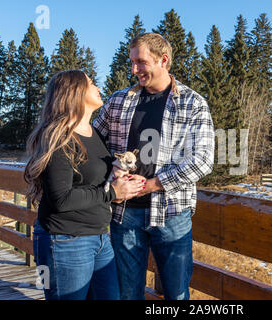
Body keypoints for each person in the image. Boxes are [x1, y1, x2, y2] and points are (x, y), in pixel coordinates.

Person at [93, 33, 215, 300]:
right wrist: (110, 173)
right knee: (127, 293)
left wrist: (153, 185)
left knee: (176, 293)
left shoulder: (192, 103)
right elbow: (92, 143)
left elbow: (203, 160)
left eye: (141, 62)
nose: (134, 69)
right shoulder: (118, 101)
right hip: (124, 214)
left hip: (172, 212)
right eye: (132, 62)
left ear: (163, 60)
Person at [24, 70, 146, 300]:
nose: (98, 86)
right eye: (91, 83)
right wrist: (110, 194)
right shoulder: (59, 138)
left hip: (99, 238)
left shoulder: (93, 132)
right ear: (76, 93)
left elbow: (94, 178)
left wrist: (123, 181)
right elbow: (61, 199)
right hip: (63, 241)